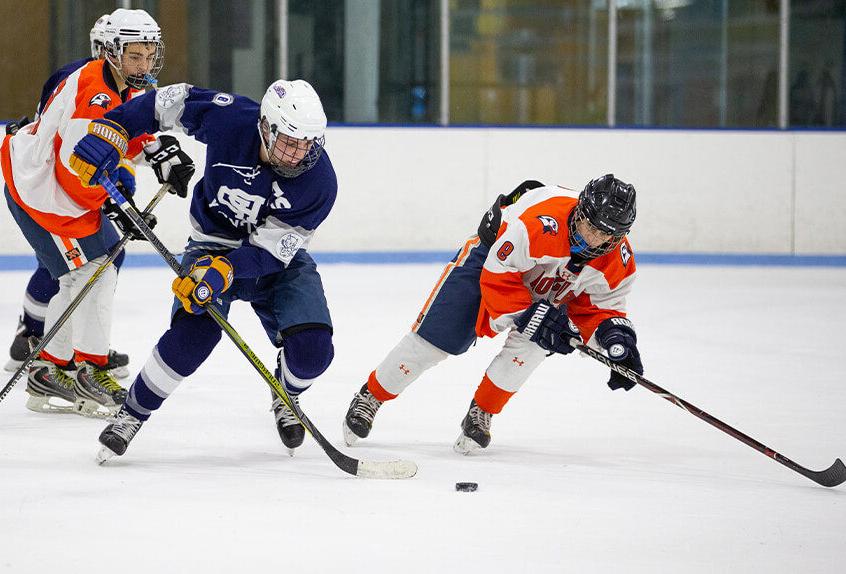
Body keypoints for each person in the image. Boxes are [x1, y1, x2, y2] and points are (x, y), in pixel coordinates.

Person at [69, 79, 338, 461]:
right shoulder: (230, 118)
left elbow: (274, 250)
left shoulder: (320, 182)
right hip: (212, 243)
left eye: (308, 143)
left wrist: (225, 271)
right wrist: (114, 127)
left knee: (314, 353)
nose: (299, 155)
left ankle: (287, 393)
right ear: (266, 126)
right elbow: (167, 101)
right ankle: (131, 414)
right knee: (192, 336)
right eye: (290, 142)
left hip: (274, 261)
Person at [342, 175, 642, 454]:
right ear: (579, 211)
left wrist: (614, 339)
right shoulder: (538, 225)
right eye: (590, 226)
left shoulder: (619, 260)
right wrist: (533, 317)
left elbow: (603, 306)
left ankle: (482, 410)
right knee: (435, 340)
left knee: (536, 345)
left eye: (605, 234)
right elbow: (499, 275)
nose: (593, 238)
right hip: (491, 259)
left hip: (552, 279)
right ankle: (372, 396)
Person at [1, 8, 184, 418]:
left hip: (54, 190)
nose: (145, 64)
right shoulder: (92, 91)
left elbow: (126, 129)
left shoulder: (121, 84)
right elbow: (74, 166)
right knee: (91, 270)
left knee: (87, 271)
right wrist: (116, 204)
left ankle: (51, 367)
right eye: (135, 56)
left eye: (149, 54)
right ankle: (88, 369)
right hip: (43, 193)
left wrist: (158, 152)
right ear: (112, 53)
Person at [4, 13, 132, 379]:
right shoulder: (83, 80)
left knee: (99, 261)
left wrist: (124, 184)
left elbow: (126, 142)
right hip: (49, 190)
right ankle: (37, 340)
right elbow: (63, 145)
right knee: (73, 268)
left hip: (70, 190)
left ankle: (73, 349)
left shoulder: (126, 84)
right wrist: (110, 196)